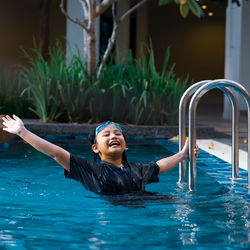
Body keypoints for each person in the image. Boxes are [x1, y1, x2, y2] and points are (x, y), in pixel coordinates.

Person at [2, 115, 199, 195]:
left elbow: (160, 165)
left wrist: (183, 154)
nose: (113, 136)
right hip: (113, 218)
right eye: (106, 135)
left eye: (117, 134)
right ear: (96, 148)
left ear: (125, 145)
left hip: (147, 205)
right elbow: (55, 152)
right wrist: (22, 132)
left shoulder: (137, 168)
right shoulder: (90, 170)